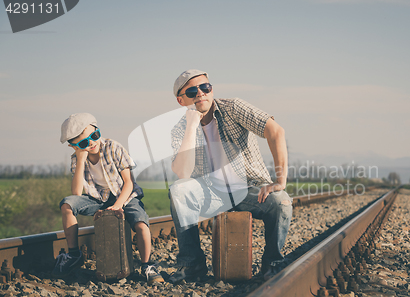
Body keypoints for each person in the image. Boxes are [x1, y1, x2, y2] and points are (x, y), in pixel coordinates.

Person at [168, 69, 293, 283]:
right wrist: (191, 126)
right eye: (192, 91)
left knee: (281, 202)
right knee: (179, 190)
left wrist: (280, 180)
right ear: (181, 100)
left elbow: (275, 131)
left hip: (248, 190)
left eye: (205, 87)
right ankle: (192, 265)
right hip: (212, 194)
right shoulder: (179, 129)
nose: (200, 93)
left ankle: (272, 263)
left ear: (211, 89)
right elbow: (182, 172)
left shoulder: (233, 108)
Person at [54, 113, 164, 285]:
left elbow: (128, 182)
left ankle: (147, 265)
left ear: (98, 130)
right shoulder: (77, 158)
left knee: (141, 224)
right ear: (73, 146)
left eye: (94, 135)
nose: (92, 142)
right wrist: (81, 160)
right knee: (67, 204)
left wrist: (119, 204)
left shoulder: (113, 147)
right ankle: (74, 254)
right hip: (98, 199)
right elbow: (76, 193)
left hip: (125, 196)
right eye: (83, 143)